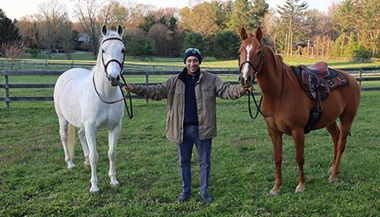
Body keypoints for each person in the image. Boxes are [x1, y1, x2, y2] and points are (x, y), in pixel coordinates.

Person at [124, 47, 250, 203]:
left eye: (195, 60)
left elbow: (227, 90)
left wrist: (243, 88)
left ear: (199, 62)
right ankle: (186, 191)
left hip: (203, 129)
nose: (192, 64)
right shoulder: (174, 81)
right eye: (189, 60)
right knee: (184, 162)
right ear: (185, 62)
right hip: (181, 130)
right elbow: (155, 91)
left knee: (205, 162)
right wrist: (135, 89)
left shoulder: (211, 79)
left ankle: (204, 193)